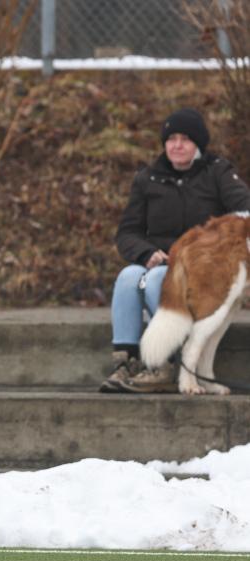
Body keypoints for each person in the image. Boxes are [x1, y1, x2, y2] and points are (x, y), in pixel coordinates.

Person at [100, 108, 250, 393]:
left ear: (198, 145)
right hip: (154, 258)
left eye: (185, 139)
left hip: (200, 261)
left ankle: (164, 364)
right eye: (171, 139)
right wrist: (146, 253)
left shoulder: (217, 171)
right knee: (128, 278)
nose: (177, 145)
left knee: (157, 280)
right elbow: (127, 232)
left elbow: (244, 208)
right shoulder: (147, 178)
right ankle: (126, 362)